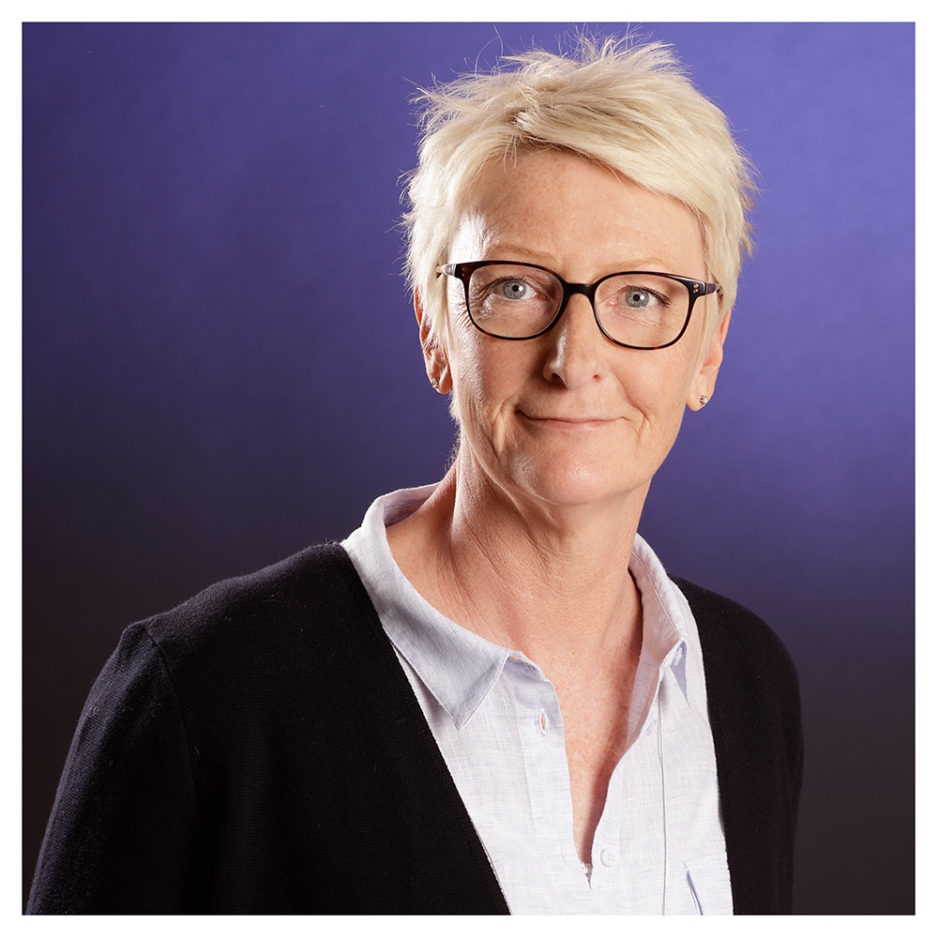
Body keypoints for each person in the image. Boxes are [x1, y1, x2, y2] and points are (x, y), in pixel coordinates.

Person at [27, 35, 802, 915]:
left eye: (640, 296)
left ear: (710, 349)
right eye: (517, 287)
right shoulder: (203, 690)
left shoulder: (745, 680)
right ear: (436, 329)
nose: (575, 358)